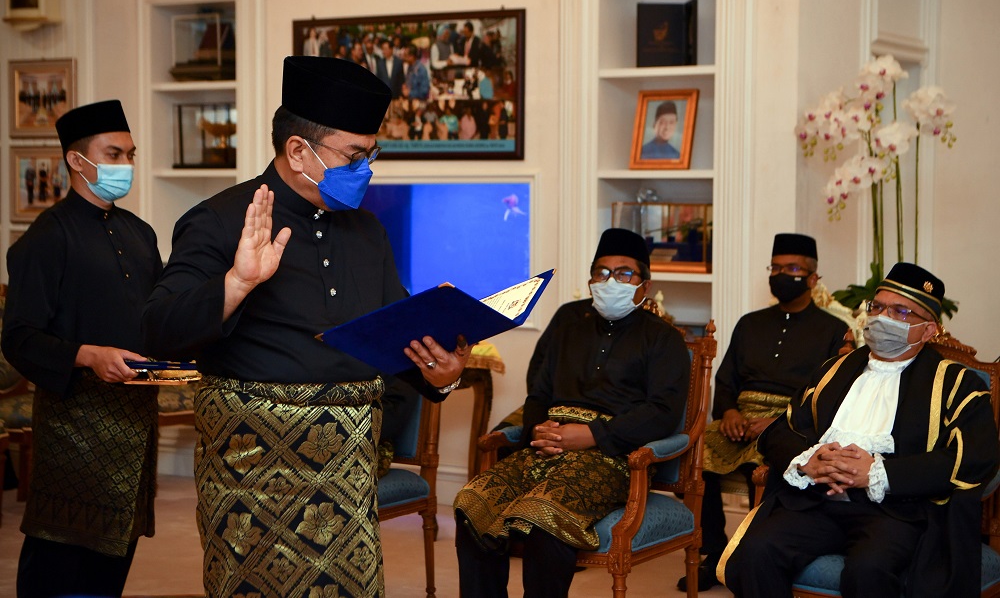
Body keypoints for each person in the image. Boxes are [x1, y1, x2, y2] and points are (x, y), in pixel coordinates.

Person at [141, 56, 469, 597]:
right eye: (354, 156)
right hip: (251, 471)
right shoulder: (220, 219)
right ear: (298, 151)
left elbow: (396, 334)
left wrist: (443, 376)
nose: (366, 169)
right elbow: (157, 329)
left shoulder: (367, 231)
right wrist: (236, 284)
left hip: (347, 469)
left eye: (371, 154)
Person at [720, 262, 999, 598]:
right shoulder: (832, 370)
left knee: (869, 569)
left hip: (896, 512)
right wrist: (809, 460)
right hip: (817, 501)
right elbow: (784, 428)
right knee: (757, 552)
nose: (882, 318)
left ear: (928, 331)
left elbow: (973, 457)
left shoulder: (957, 383)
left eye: (900, 311)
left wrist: (879, 473)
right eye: (877, 307)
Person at [453, 228, 691, 598]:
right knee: (471, 503)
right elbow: (539, 389)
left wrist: (594, 435)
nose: (611, 282)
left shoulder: (663, 337)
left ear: (645, 284)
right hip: (547, 445)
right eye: (602, 272)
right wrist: (540, 429)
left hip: (614, 455)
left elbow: (663, 411)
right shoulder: (568, 319)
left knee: (544, 515)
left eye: (624, 273)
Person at [2, 99, 162, 598]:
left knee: (114, 553)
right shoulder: (47, 237)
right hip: (75, 426)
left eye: (130, 155)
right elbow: (19, 337)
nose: (125, 165)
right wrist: (89, 355)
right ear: (77, 160)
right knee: (61, 556)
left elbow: (157, 316)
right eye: (114, 154)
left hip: (136, 421)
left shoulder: (140, 233)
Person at [679, 233, 851, 591]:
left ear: (813, 278)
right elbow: (726, 379)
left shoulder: (834, 331)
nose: (781, 275)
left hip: (791, 422)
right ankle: (714, 550)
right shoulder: (749, 323)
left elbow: (829, 394)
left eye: (792, 269)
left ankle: (752, 555)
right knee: (694, 453)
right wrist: (728, 412)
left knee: (761, 467)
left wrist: (779, 421)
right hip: (739, 419)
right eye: (776, 268)